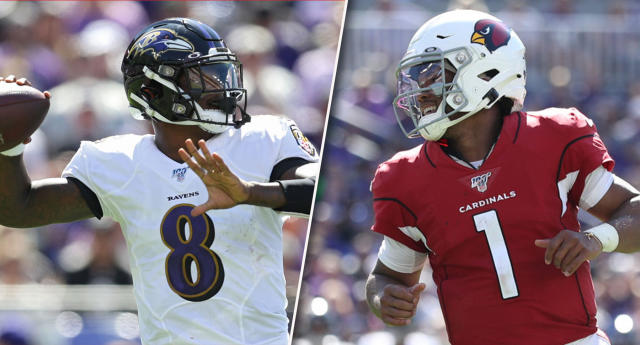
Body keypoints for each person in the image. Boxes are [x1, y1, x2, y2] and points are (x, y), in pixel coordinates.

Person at [0, 18, 319, 345]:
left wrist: (250, 192)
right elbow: (19, 208)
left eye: (220, 71)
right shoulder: (120, 162)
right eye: (201, 76)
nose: (220, 84)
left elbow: (319, 198)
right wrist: (7, 143)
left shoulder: (265, 137)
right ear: (154, 90)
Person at [365, 9, 640, 345]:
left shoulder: (553, 140)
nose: (419, 91)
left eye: (433, 74)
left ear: (485, 71)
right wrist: (384, 298)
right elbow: (387, 276)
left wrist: (597, 239)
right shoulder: (405, 178)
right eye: (417, 77)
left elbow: (633, 210)